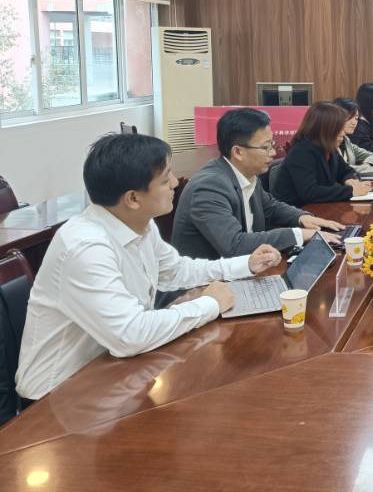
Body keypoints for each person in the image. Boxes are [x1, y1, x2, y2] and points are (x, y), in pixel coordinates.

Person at [15, 133, 283, 401]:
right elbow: (131, 334)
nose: (175, 183)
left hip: (113, 372)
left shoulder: (138, 223)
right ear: (133, 198)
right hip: (55, 396)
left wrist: (245, 265)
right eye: (165, 179)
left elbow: (176, 271)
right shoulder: (86, 248)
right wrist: (210, 304)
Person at [172, 108, 343, 260]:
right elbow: (235, 245)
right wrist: (299, 235)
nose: (273, 152)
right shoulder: (209, 187)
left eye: (272, 144)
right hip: (209, 282)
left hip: (246, 267)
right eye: (266, 147)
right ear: (238, 152)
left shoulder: (247, 174)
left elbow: (271, 207)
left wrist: (301, 217)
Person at [272, 102, 373, 206]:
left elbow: (346, 170)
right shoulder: (301, 152)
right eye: (339, 129)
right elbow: (310, 192)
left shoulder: (329, 148)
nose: (343, 134)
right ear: (325, 129)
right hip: (296, 211)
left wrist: (350, 180)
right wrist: (350, 191)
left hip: (318, 207)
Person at [334, 97, 373, 176]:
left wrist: (366, 165)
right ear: (336, 117)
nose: (354, 122)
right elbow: (342, 169)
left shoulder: (346, 140)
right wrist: (372, 169)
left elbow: (372, 155)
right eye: (349, 118)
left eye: (356, 118)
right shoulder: (329, 143)